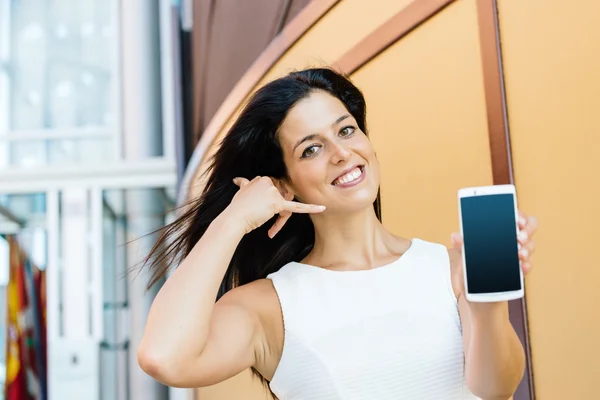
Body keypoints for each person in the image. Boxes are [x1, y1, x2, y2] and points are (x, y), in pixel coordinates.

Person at [137, 68, 538, 399]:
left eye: (346, 131)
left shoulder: (452, 270)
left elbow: (496, 390)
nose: (342, 153)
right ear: (284, 184)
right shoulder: (268, 307)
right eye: (311, 149)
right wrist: (234, 220)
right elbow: (163, 356)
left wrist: (486, 310)